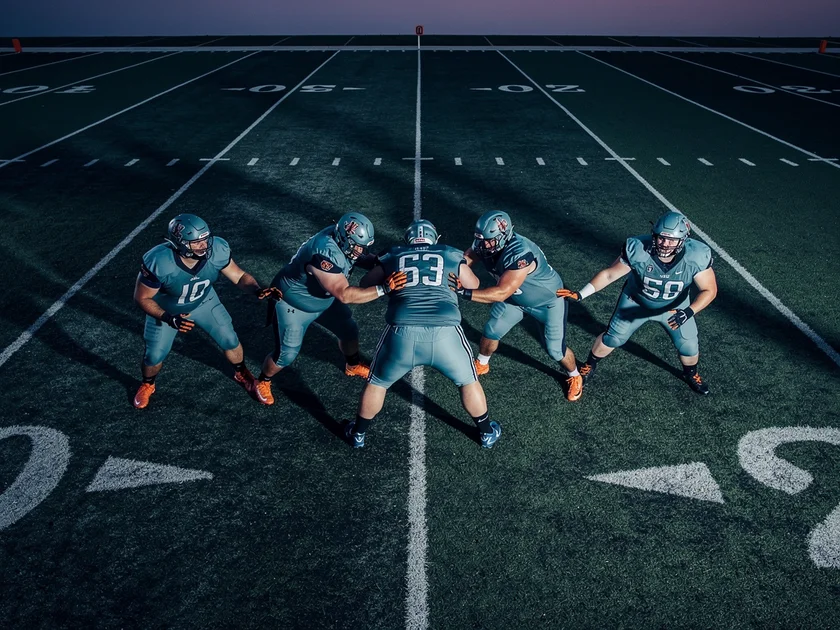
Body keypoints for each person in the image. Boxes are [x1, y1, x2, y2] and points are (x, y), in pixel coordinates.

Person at [345, 219, 501, 449]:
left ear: (407, 239)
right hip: (445, 332)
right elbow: (475, 284)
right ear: (435, 239)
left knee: (377, 383)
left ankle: (357, 434)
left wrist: (388, 282)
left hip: (402, 332)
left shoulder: (394, 254)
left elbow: (365, 282)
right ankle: (486, 431)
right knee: (469, 381)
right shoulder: (448, 252)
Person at [557, 211, 717, 394]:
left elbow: (709, 290)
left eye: (671, 240)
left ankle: (691, 373)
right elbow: (610, 274)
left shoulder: (696, 255)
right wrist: (581, 294)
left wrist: (689, 311)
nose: (664, 244)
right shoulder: (638, 249)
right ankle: (589, 365)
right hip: (635, 302)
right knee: (613, 338)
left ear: (683, 240)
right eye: (661, 238)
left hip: (675, 308)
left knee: (688, 344)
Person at [254, 212, 406, 406]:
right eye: (357, 246)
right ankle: (263, 380)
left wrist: (387, 259)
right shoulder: (324, 253)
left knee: (349, 330)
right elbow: (345, 294)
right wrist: (383, 288)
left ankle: (352, 365)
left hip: (323, 299)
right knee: (286, 354)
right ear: (344, 240)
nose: (360, 251)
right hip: (293, 304)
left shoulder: (341, 240)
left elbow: (362, 258)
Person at [133, 213, 279, 409]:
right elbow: (142, 297)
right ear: (179, 242)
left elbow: (238, 275)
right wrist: (168, 317)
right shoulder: (159, 261)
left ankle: (241, 372)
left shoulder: (217, 249)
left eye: (205, 239)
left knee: (230, 339)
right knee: (154, 355)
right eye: (196, 242)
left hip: (205, 302)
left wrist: (257, 289)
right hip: (169, 311)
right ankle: (147, 384)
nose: (203, 245)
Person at [450, 210, 583, 402]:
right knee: (491, 330)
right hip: (516, 300)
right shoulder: (484, 243)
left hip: (547, 302)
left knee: (555, 350)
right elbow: (464, 262)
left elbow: (502, 292)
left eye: (489, 240)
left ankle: (574, 375)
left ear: (504, 235)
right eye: (482, 240)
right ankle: (482, 363)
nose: (484, 245)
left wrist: (465, 292)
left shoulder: (520, 253)